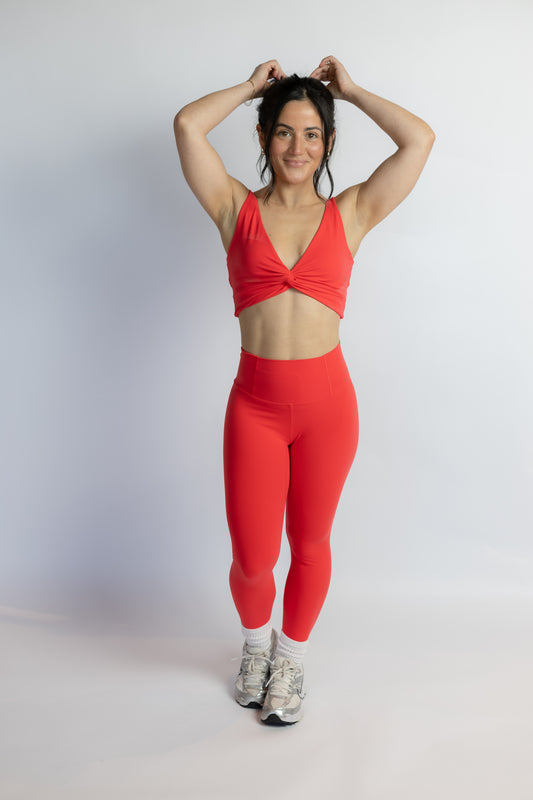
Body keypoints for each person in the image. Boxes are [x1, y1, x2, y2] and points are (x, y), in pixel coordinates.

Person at [173, 55, 435, 725]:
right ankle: (255, 647)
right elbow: (185, 125)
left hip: (327, 408)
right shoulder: (234, 208)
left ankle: (290, 659)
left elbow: (419, 140)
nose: (298, 147)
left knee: (311, 543)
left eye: (312, 134)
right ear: (262, 137)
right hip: (254, 407)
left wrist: (348, 91)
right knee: (252, 555)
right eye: (284, 132)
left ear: (327, 142)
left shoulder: (350, 212)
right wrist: (248, 89)